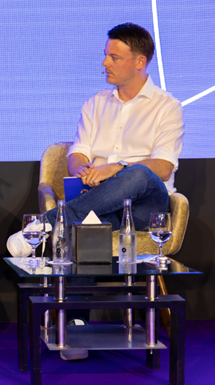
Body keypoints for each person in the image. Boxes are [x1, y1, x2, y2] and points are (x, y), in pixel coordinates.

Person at [46, 23, 184, 360]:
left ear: (139, 62)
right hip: (99, 203)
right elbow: (78, 152)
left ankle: (50, 222)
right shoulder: (95, 103)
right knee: (89, 224)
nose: (104, 63)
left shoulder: (167, 106)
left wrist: (115, 168)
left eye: (114, 57)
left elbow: (163, 167)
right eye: (106, 56)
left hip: (145, 207)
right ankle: (75, 325)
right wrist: (83, 170)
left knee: (137, 172)